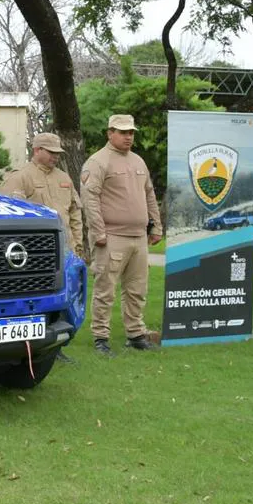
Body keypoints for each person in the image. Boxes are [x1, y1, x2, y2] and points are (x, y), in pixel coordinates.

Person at [80, 115, 163, 356]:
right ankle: (101, 337)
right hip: (111, 236)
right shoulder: (98, 161)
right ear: (110, 133)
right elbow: (90, 199)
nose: (128, 137)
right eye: (123, 132)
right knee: (105, 290)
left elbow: (149, 195)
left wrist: (156, 226)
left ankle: (135, 334)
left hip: (138, 237)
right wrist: (98, 232)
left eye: (131, 132)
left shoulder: (138, 161)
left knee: (137, 289)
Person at [2, 132, 84, 364]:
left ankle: (56, 346)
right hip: (35, 255)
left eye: (58, 153)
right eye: (51, 152)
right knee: (36, 302)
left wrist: (77, 244)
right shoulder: (20, 177)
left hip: (65, 251)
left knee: (66, 299)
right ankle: (27, 348)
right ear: (37, 150)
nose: (55, 157)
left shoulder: (64, 178)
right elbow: (8, 216)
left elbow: (75, 213)